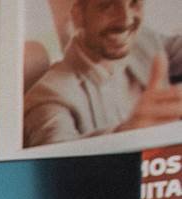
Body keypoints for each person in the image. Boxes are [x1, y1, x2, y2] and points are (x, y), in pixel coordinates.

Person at [23, 0, 182, 146]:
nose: (126, 20)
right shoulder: (48, 96)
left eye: (134, 3)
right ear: (78, 16)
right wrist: (128, 134)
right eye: (107, 5)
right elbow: (54, 154)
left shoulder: (143, 40)